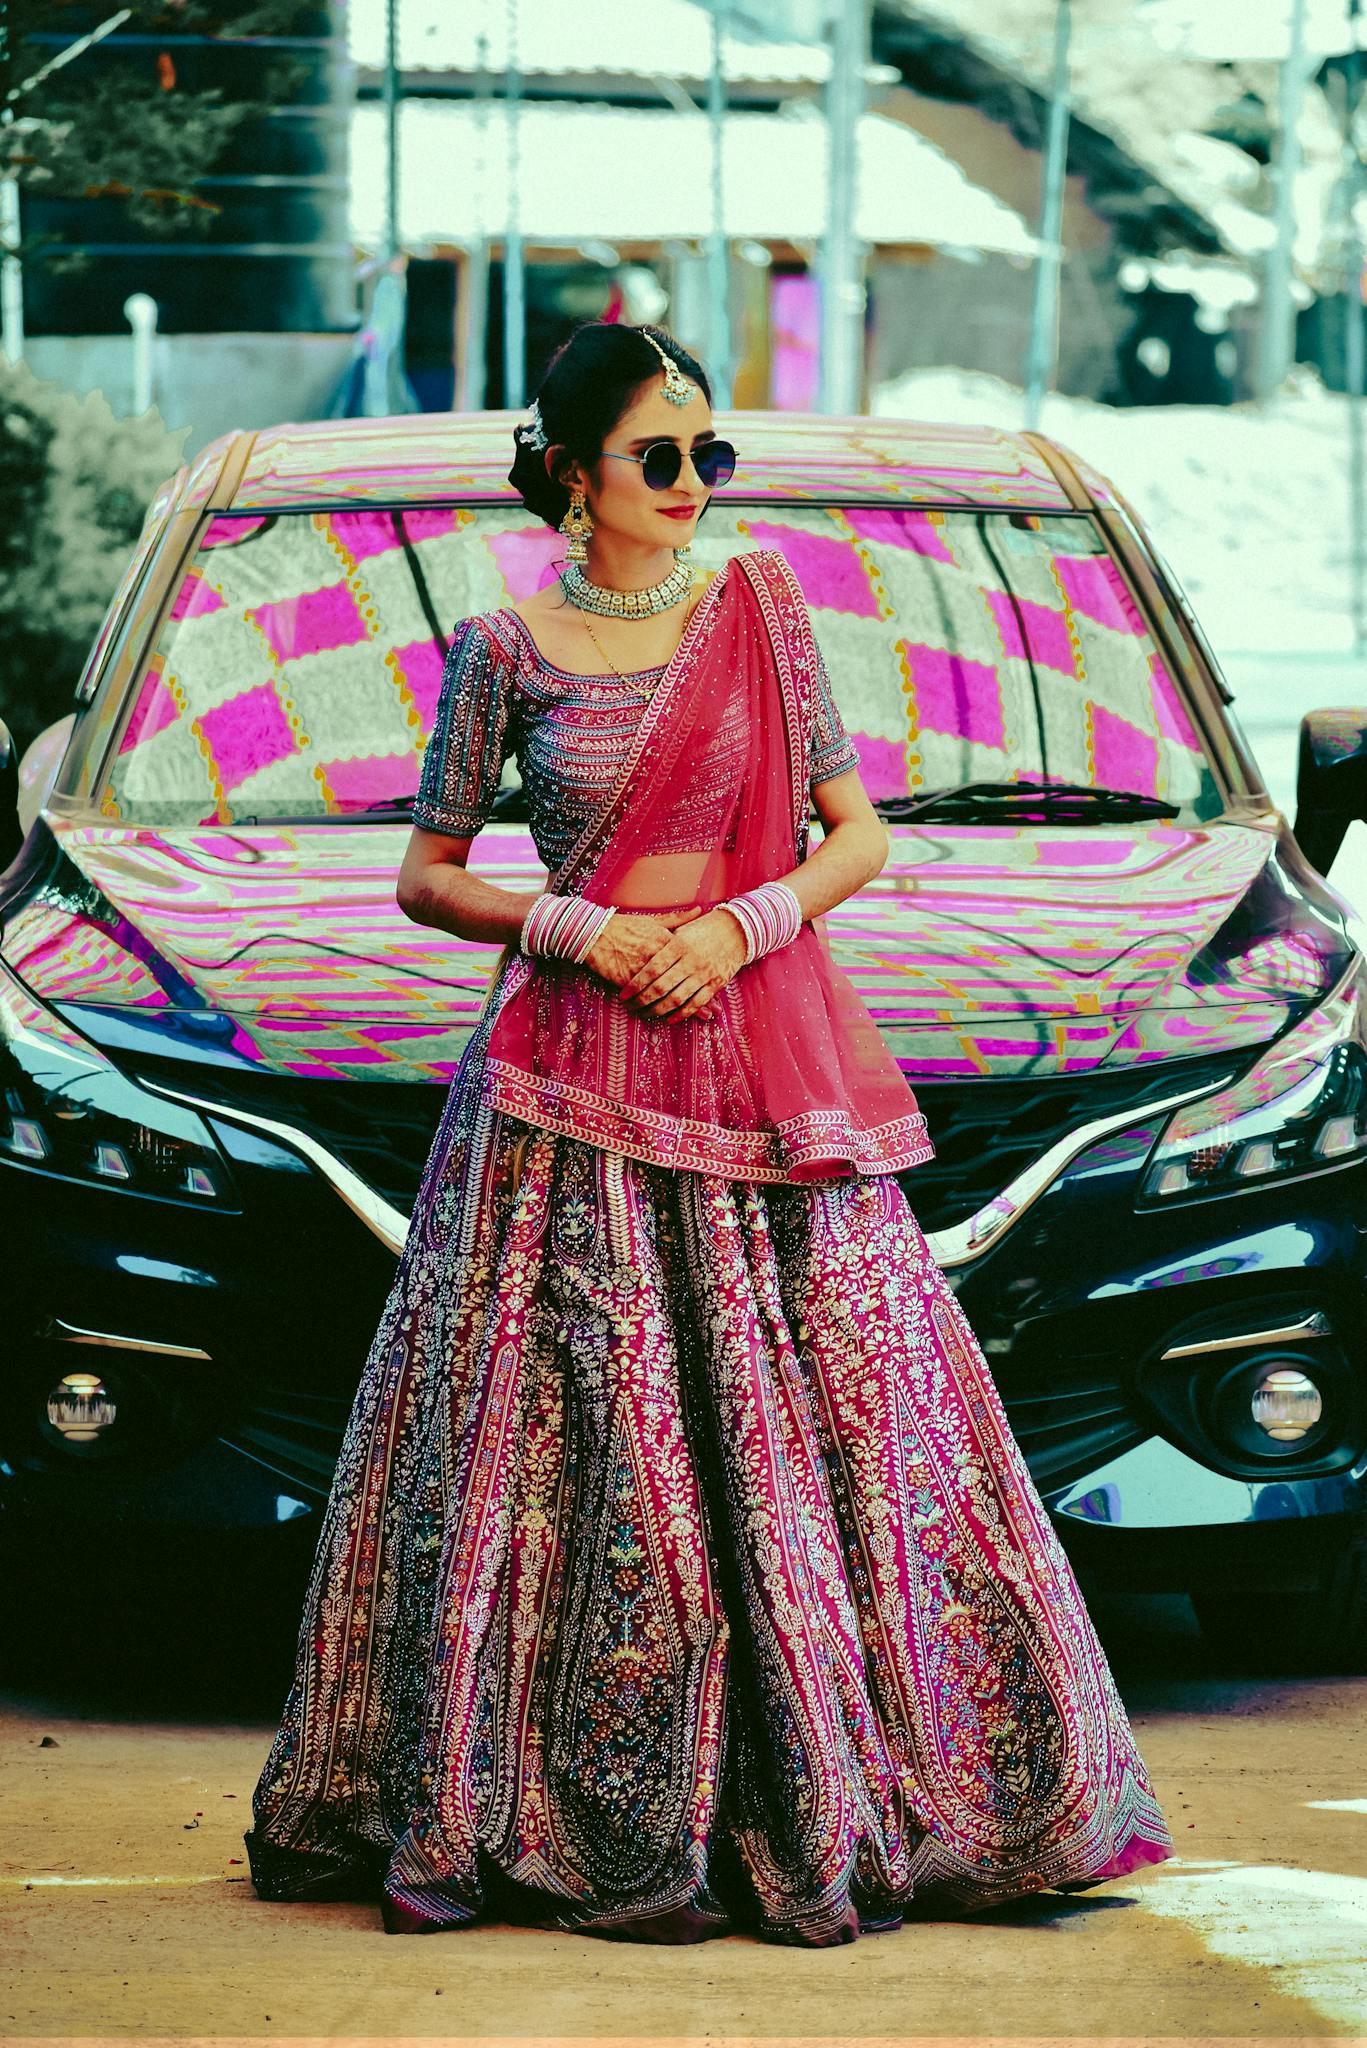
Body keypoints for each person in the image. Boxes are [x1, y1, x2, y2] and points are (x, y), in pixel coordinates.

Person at [242, 321, 1176, 1947]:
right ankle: (545, 1797)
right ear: (571, 473)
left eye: (707, 455)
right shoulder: (501, 648)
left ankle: (854, 1786)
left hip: (754, 1051)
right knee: (557, 1441)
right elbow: (429, 870)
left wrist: (740, 929)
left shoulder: (761, 613)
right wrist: (572, 932)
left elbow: (856, 833)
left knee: (837, 1428)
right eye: (657, 457)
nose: (691, 485)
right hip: (566, 1079)